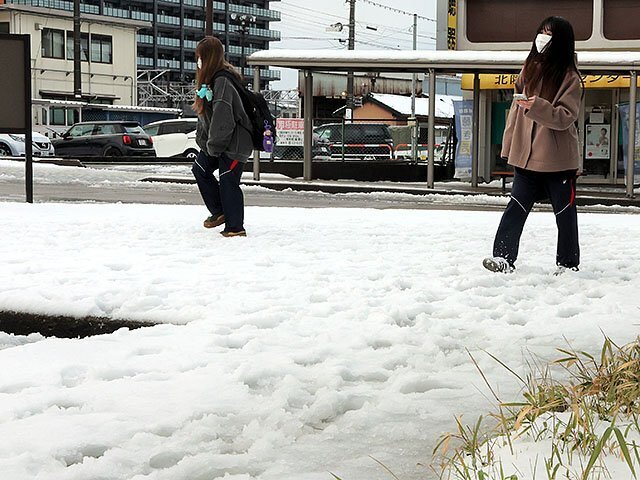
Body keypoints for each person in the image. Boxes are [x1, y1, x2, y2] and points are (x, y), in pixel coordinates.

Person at [483, 16, 582, 274]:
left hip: (558, 162)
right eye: (541, 31)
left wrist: (537, 106)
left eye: (549, 33)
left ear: (560, 41)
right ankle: (503, 258)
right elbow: (515, 115)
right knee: (515, 207)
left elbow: (565, 117)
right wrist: (508, 148)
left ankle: (568, 263)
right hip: (525, 158)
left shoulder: (570, 77)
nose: (543, 37)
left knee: (565, 212)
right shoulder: (528, 68)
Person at [191, 36, 253, 237]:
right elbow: (205, 118)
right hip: (217, 142)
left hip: (235, 144)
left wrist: (214, 146)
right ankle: (219, 212)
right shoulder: (210, 81)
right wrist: (206, 144)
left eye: (199, 56)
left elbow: (222, 118)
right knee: (200, 169)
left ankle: (235, 227)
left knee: (228, 181)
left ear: (207, 57)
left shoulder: (223, 81)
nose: (197, 60)